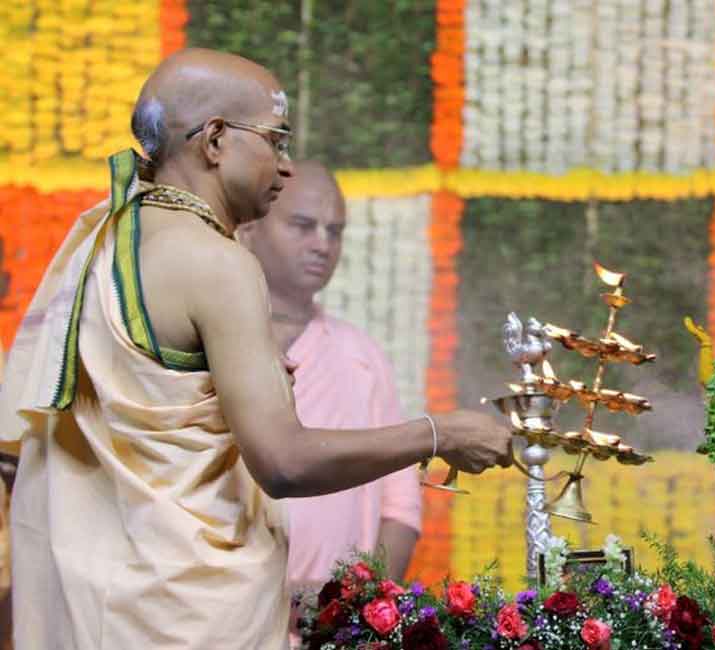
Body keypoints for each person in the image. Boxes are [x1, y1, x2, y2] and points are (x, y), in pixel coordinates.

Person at [0, 48, 511, 649]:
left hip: (93, 609)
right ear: (214, 140)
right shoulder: (218, 264)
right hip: (188, 620)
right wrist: (441, 433)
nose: (286, 166)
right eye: (276, 140)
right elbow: (283, 461)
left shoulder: (100, 244)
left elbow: (21, 452)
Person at [238, 160, 422, 592]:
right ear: (249, 228)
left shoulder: (362, 357)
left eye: (334, 231)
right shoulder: (210, 343)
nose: (322, 244)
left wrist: (356, 612)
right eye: (303, 225)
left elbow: (400, 507)